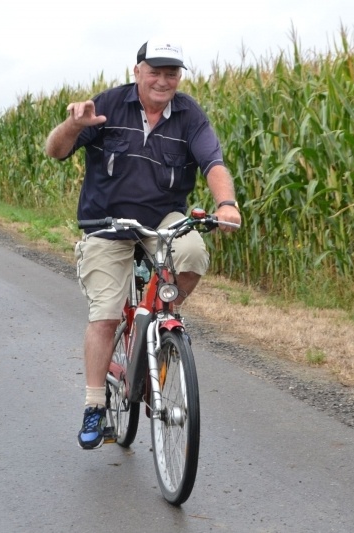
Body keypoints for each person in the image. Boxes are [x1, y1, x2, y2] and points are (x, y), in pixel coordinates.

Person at [45, 39, 242, 449]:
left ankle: (156, 319)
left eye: (172, 72)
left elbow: (213, 163)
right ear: (137, 71)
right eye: (155, 71)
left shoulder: (189, 115)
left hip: (162, 219)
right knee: (105, 315)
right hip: (107, 222)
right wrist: (75, 125)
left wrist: (227, 204)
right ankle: (95, 405)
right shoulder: (109, 105)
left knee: (191, 253)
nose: (163, 80)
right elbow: (56, 151)